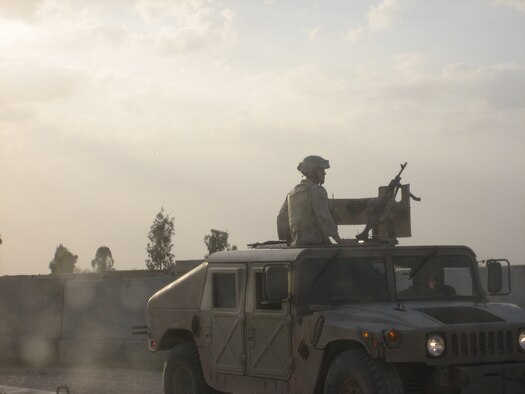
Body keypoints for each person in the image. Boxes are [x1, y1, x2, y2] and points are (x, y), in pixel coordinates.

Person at [277, 155, 350, 247]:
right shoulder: (317, 191)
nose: (324, 173)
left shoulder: (292, 193)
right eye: (321, 170)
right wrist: (339, 240)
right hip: (317, 243)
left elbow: (281, 219)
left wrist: (287, 241)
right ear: (312, 171)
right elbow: (324, 217)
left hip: (297, 244)